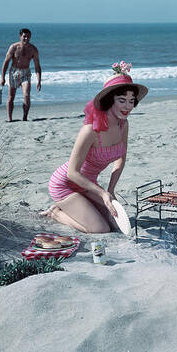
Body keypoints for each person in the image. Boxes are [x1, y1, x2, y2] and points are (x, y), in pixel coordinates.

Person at [41, 61, 148, 233]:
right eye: (122, 100)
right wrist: (102, 193)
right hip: (65, 184)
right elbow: (72, 173)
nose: (127, 106)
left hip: (89, 184)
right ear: (109, 100)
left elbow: (122, 158)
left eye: (131, 101)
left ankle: (80, 205)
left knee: (116, 225)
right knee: (101, 229)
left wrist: (110, 190)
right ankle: (56, 213)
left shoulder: (123, 125)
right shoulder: (90, 131)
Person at [0, 28, 42, 122]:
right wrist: (2, 77)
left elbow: (37, 66)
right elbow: (6, 62)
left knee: (26, 95)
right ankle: (10, 118)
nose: (26, 38)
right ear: (20, 37)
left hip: (26, 72)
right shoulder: (14, 47)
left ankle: (25, 117)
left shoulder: (33, 49)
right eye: (24, 36)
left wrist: (39, 80)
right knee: (11, 96)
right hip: (14, 72)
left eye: (28, 37)